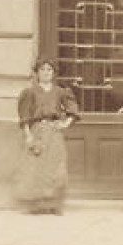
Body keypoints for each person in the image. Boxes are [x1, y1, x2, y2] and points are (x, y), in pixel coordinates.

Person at [16, 57, 80, 215]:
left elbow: (72, 107)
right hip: (37, 130)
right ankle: (38, 205)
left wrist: (65, 123)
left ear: (54, 73)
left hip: (54, 132)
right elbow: (24, 115)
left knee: (56, 168)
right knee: (37, 168)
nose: (46, 73)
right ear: (37, 73)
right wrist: (28, 135)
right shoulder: (30, 92)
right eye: (42, 70)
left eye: (49, 70)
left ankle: (54, 205)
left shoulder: (60, 91)